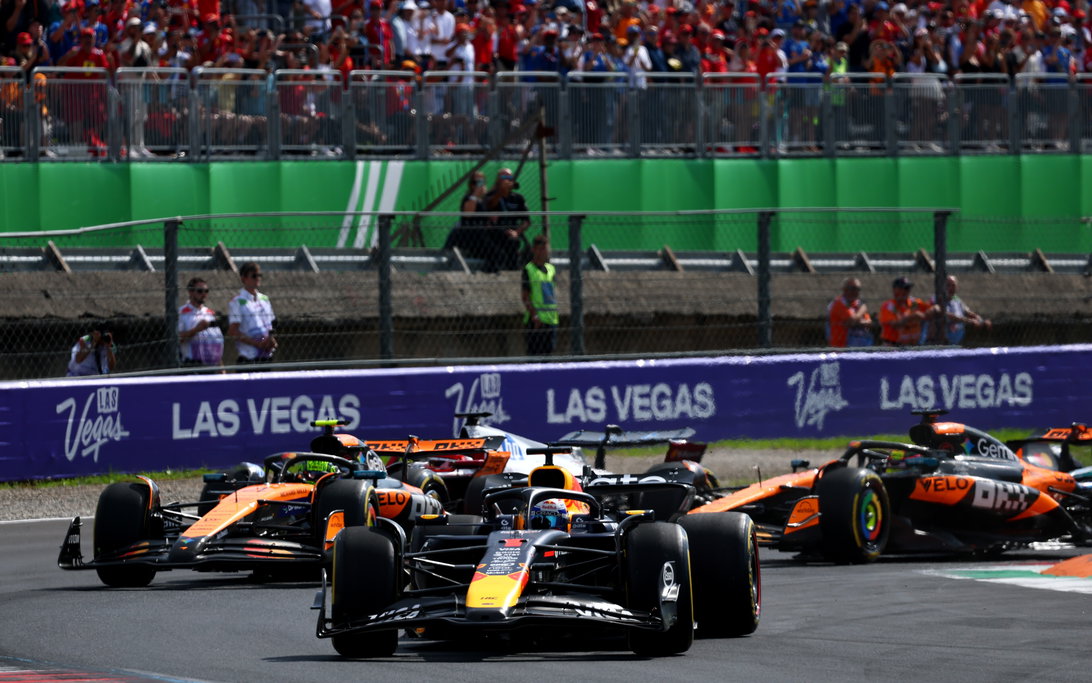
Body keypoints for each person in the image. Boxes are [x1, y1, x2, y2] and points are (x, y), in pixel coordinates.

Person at [480, 166, 530, 272]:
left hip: (513, 232)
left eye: (509, 176)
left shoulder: (518, 198)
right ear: (498, 179)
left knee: (520, 245)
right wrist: (500, 192)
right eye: (503, 176)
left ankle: (515, 270)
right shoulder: (491, 195)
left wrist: (517, 232)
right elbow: (490, 206)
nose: (506, 179)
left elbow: (527, 220)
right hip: (495, 232)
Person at [227, 262, 277, 365]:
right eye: (254, 276)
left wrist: (271, 340)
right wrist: (257, 344)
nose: (257, 278)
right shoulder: (237, 301)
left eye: (259, 275)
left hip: (266, 356)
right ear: (243, 279)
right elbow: (233, 331)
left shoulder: (265, 299)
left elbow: (271, 325)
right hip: (248, 357)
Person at [923, 275, 991, 345]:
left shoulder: (957, 300)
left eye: (953, 286)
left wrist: (981, 321)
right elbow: (946, 315)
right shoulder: (936, 299)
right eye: (948, 285)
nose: (950, 288)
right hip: (940, 339)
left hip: (956, 339)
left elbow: (969, 313)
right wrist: (968, 321)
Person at [521, 234, 558, 355]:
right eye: (542, 249)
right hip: (536, 321)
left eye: (547, 249)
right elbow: (525, 296)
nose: (546, 252)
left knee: (548, 355)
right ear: (535, 250)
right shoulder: (529, 269)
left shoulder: (551, 269)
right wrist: (534, 315)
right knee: (535, 355)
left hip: (551, 320)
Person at [178, 277, 224, 368]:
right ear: (190, 292)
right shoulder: (182, 312)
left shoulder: (210, 313)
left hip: (211, 364)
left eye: (206, 291)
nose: (204, 294)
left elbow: (216, 342)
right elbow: (177, 339)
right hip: (191, 364)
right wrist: (196, 330)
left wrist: (221, 367)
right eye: (200, 291)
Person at [879, 276, 928, 347]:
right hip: (892, 346)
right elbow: (895, 325)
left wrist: (926, 315)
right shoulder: (889, 306)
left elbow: (933, 308)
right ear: (895, 290)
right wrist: (912, 317)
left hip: (913, 345)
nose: (907, 291)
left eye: (908, 289)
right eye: (904, 288)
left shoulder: (913, 302)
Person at [827, 277, 873, 347]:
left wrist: (858, 321)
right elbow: (851, 321)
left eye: (858, 289)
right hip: (840, 347)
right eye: (853, 288)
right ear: (844, 289)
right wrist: (862, 310)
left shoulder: (858, 303)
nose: (856, 292)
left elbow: (868, 322)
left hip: (858, 347)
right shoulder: (838, 303)